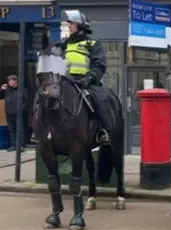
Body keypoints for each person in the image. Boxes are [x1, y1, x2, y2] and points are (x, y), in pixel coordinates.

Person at [31, 10, 111, 144]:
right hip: (64, 80)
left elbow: (99, 66)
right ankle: (38, 129)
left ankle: (103, 130)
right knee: (40, 96)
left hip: (85, 81)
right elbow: (52, 57)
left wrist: (89, 79)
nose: (69, 26)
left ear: (80, 26)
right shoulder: (64, 44)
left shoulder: (92, 44)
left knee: (100, 99)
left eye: (72, 24)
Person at [0, 75, 28, 152]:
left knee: (20, 130)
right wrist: (1, 89)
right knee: (11, 130)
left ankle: (21, 146)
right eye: (8, 81)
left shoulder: (22, 89)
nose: (9, 82)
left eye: (11, 80)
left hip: (18, 113)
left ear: (15, 81)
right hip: (9, 113)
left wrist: (21, 109)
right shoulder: (7, 90)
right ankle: (13, 145)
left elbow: (26, 101)